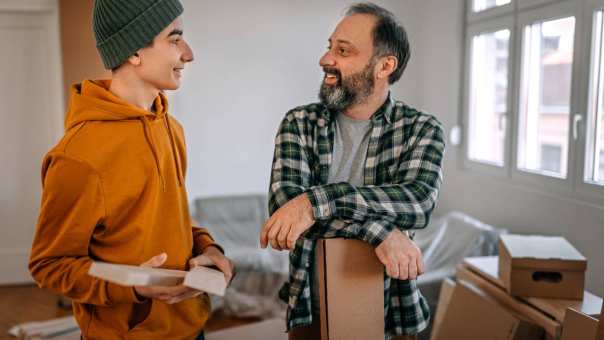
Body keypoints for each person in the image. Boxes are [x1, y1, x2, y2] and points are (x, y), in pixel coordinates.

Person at [28, 1, 233, 339]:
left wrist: (208, 250)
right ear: (135, 51)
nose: (189, 54)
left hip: (190, 327)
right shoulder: (77, 157)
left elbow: (168, 218)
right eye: (174, 39)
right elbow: (49, 265)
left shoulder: (172, 129)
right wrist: (134, 287)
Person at [260, 3, 445, 339]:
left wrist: (315, 203)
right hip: (309, 305)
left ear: (384, 66)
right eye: (330, 46)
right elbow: (285, 207)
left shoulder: (422, 129)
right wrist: (381, 232)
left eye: (342, 51)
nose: (326, 59)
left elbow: (417, 204)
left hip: (395, 309)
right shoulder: (299, 123)